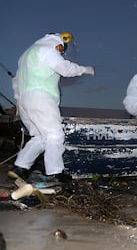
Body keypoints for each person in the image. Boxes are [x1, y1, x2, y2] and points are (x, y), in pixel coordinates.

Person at [8, 33, 95, 183]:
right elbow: (64, 68)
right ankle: (55, 172)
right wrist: (84, 69)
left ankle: (20, 168)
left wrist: (18, 102)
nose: (61, 52)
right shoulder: (48, 49)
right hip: (41, 97)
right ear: (57, 42)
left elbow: (16, 81)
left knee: (40, 137)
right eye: (61, 49)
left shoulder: (25, 55)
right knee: (54, 135)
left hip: (24, 100)